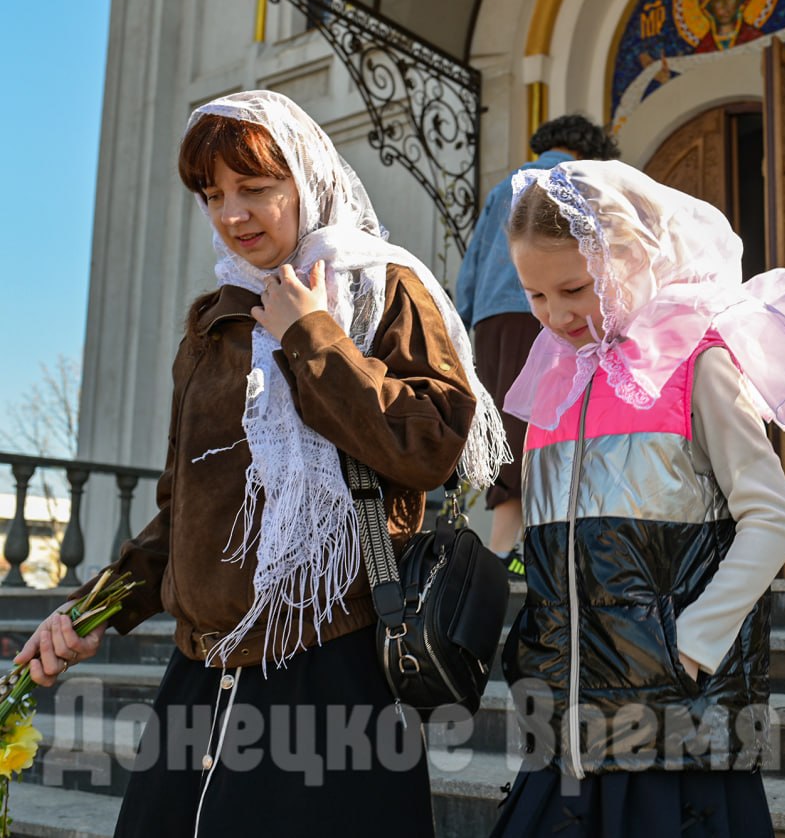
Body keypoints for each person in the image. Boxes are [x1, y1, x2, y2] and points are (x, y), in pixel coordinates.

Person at [15, 90, 508, 837]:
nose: (232, 214)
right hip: (201, 673)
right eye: (213, 194)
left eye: (254, 187)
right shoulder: (214, 325)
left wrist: (312, 335)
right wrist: (92, 611)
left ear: (306, 181)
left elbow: (432, 446)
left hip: (332, 661)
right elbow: (184, 513)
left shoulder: (380, 290)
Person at [490, 160, 785, 836]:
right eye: (535, 295)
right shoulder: (555, 380)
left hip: (677, 720)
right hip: (565, 724)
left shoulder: (697, 364)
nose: (556, 316)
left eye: (575, 289)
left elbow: (771, 519)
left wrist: (694, 642)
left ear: (633, 259)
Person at [454, 114, 620, 567]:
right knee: (551, 421)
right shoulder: (579, 182)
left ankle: (504, 543)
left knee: (507, 424)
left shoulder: (504, 187)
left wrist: (462, 325)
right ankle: (518, 547)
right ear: (588, 151)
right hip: (550, 315)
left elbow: (471, 268)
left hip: (492, 320)